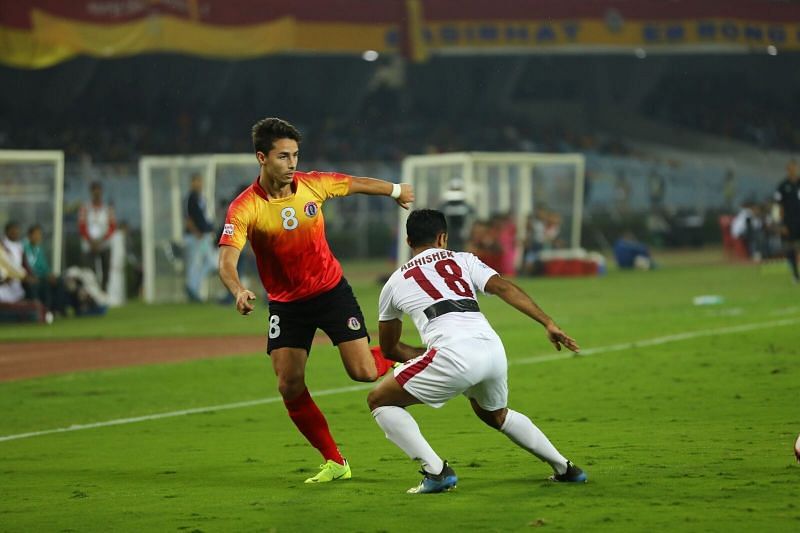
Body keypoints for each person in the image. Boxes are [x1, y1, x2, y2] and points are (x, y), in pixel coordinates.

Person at [217, 117, 415, 484]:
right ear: (262, 157)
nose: (292, 164)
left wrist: (395, 190)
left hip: (330, 293)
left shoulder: (312, 185)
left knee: (364, 373)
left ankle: (403, 354)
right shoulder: (245, 207)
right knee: (288, 384)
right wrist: (238, 290)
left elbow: (354, 183)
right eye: (283, 157)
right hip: (287, 305)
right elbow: (227, 258)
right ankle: (335, 461)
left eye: (295, 155)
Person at [368, 209, 586, 494]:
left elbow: (389, 347)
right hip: (492, 348)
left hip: (452, 353)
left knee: (379, 400)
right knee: (495, 414)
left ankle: (437, 472)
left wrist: (432, 357)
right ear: (442, 237)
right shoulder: (464, 259)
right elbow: (504, 288)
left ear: (409, 241)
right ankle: (565, 468)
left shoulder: (393, 283)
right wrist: (548, 322)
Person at [184, 173, 217, 302]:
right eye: (196, 181)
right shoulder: (190, 198)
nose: (198, 184)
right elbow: (188, 218)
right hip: (195, 237)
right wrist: (196, 232)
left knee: (211, 263)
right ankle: (192, 289)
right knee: (194, 263)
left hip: (204, 236)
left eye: (200, 181)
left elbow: (203, 217)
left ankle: (193, 287)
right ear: (192, 183)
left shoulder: (200, 198)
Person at [78, 181, 116, 291]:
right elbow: (81, 226)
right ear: (91, 192)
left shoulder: (108, 209)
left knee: (106, 270)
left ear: (102, 192)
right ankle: (92, 293)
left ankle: (103, 292)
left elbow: (112, 226)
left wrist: (101, 240)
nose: (97, 194)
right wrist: (91, 241)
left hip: (104, 244)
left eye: (99, 191)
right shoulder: (85, 208)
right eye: (94, 191)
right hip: (89, 245)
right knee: (90, 272)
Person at [23, 224, 67, 315]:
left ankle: (58, 309)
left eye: (40, 234)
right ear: (29, 235)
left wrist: (50, 274)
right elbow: (26, 266)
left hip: (42, 276)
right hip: (32, 277)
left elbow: (44, 266)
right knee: (45, 284)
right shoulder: (24, 248)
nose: (38, 236)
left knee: (59, 281)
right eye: (36, 234)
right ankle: (45, 311)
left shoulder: (39, 249)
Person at [773, 159, 800, 283]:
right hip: (789, 222)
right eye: (791, 168)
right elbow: (778, 206)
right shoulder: (782, 186)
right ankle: (795, 274)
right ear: (787, 169)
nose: (793, 170)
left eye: (795, 167)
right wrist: (781, 224)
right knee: (791, 247)